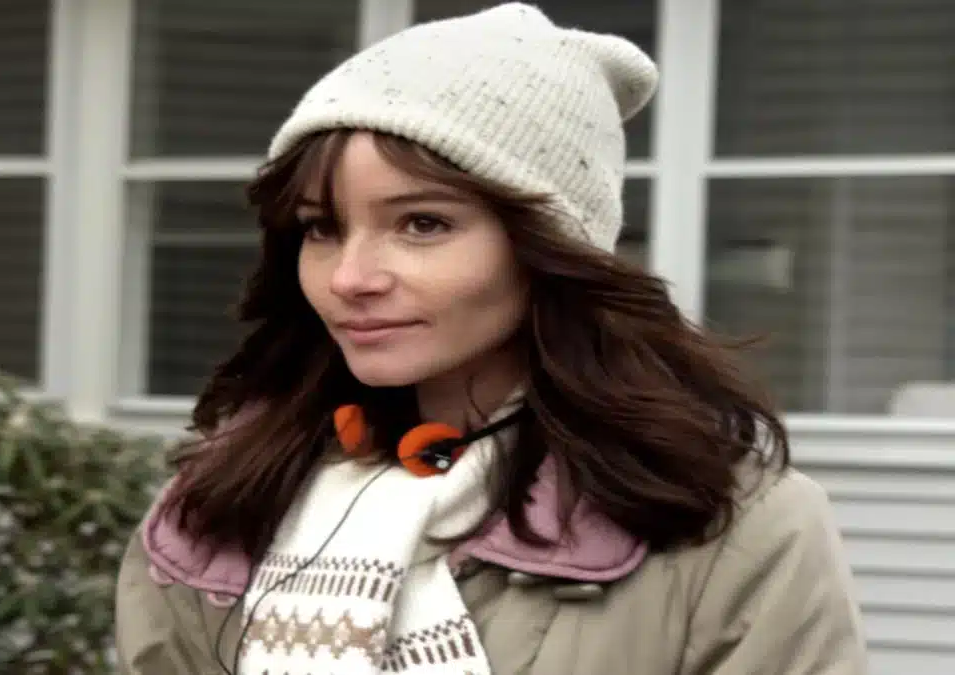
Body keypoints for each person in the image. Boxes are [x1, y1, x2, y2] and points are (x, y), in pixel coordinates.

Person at [114, 3, 868, 674]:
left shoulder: (732, 528)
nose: (350, 277)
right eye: (322, 227)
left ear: (549, 247)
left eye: (423, 223)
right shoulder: (221, 505)